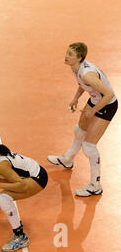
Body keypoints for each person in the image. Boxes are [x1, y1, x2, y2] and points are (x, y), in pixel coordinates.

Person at [47, 42, 117, 197]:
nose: (66, 56)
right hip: (95, 100)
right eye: (67, 52)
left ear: (79, 58)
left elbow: (109, 94)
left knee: (89, 147)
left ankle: (95, 185)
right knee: (79, 131)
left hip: (107, 105)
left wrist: (93, 111)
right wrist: (75, 99)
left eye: (70, 54)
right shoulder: (76, 68)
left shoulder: (87, 73)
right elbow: (83, 85)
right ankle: (67, 159)